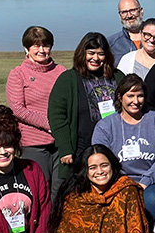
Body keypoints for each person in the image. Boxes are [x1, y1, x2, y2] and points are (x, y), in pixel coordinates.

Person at [91, 74, 155, 221]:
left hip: (154, 183)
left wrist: (145, 182)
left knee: (151, 199)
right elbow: (101, 159)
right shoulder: (105, 126)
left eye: (140, 96)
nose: (135, 101)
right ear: (120, 97)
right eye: (130, 96)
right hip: (118, 182)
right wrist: (125, 184)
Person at [48, 32, 125, 180]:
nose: (95, 58)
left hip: (114, 147)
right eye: (91, 53)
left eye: (100, 54)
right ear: (82, 53)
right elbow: (56, 115)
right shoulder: (68, 79)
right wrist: (65, 147)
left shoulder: (117, 77)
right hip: (81, 149)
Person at [6, 25, 66, 196]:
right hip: (33, 144)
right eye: (36, 46)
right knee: (39, 190)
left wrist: (60, 128)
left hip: (60, 142)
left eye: (46, 45)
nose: (41, 50)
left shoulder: (61, 72)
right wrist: (50, 124)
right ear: (27, 48)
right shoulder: (18, 74)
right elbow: (18, 109)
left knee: (60, 191)